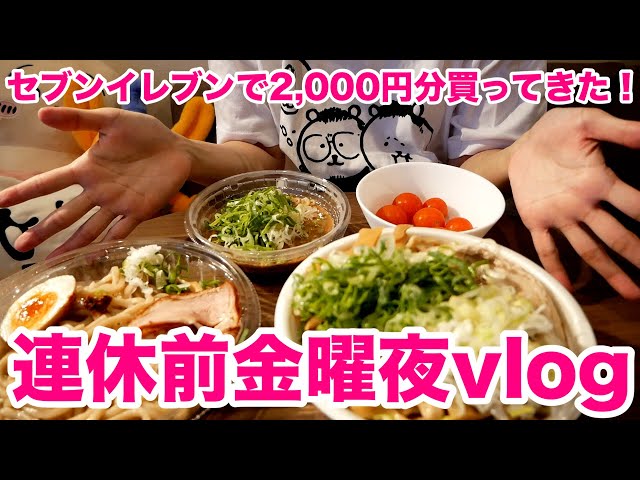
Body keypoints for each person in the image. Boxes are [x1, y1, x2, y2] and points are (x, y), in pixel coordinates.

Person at [0, 60, 637, 302]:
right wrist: (186, 151)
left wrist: (519, 152)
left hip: (438, 239)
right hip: (295, 252)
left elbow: (473, 164)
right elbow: (259, 154)